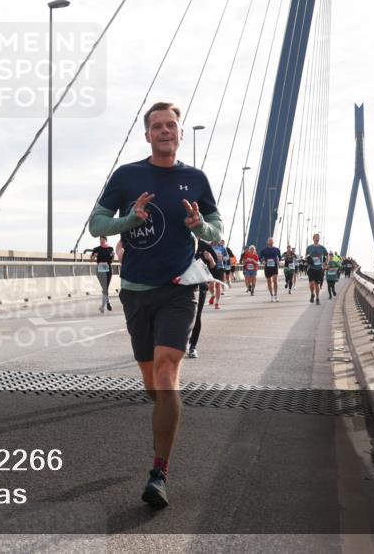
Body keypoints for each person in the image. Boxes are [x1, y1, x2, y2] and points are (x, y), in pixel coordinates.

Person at [88, 101, 223, 510]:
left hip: (180, 287)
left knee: (166, 374)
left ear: (180, 133)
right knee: (153, 384)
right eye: (158, 126)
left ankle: (159, 472)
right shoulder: (127, 176)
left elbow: (217, 229)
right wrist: (129, 219)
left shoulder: (196, 179)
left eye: (172, 126)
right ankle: (165, 418)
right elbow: (96, 225)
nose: (166, 131)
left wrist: (199, 226)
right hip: (135, 290)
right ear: (147, 134)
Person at [187, 239, 216, 359]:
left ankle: (193, 346)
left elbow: (214, 267)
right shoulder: (181, 240)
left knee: (197, 316)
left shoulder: (205, 246)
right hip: (182, 285)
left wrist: (210, 259)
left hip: (200, 286)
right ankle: (178, 343)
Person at [89, 236, 115, 313]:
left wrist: (113, 255)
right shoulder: (96, 249)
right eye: (100, 239)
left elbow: (112, 260)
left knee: (105, 287)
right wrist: (94, 256)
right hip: (100, 268)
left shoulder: (110, 248)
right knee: (105, 287)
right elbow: (91, 260)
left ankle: (102, 306)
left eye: (103, 239)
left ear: (106, 240)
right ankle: (108, 302)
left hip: (108, 268)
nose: (101, 240)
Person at [304, 233, 329, 305]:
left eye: (318, 238)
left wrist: (326, 263)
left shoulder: (322, 247)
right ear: (313, 238)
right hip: (311, 268)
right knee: (311, 284)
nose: (317, 239)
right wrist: (308, 259)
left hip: (319, 269)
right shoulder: (309, 247)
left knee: (317, 285)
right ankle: (312, 294)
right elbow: (306, 255)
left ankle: (317, 297)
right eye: (316, 238)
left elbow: (327, 255)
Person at [259, 238, 282, 303]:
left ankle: (276, 295)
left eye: (272, 241)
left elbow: (280, 257)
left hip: (274, 266)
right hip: (267, 267)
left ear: (273, 242)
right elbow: (260, 257)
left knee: (275, 281)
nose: (271, 242)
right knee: (269, 282)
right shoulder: (264, 250)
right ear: (267, 242)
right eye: (269, 241)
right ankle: (271, 295)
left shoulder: (276, 249)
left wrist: (278, 260)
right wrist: (262, 261)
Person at [210, 241, 226, 309]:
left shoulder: (222, 248)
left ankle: (217, 303)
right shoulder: (208, 246)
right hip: (211, 268)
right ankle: (213, 295)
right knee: (210, 285)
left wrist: (222, 258)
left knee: (217, 285)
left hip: (220, 268)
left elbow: (227, 257)